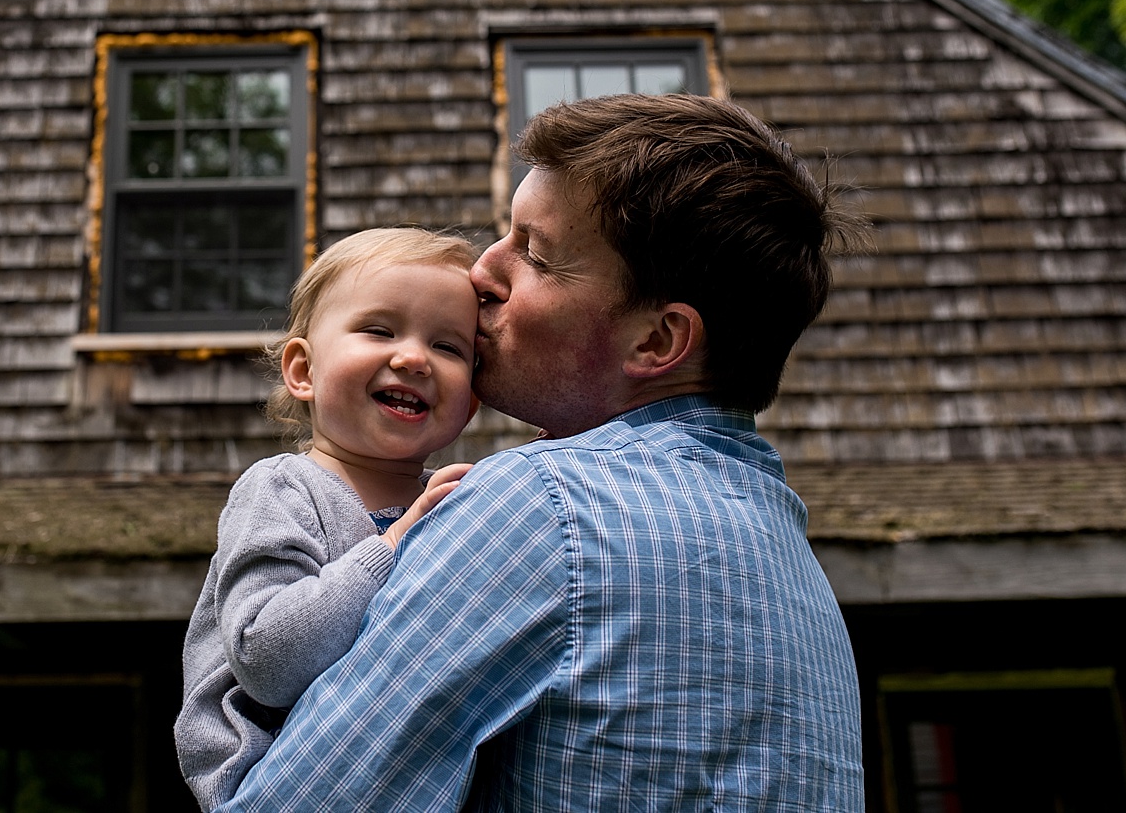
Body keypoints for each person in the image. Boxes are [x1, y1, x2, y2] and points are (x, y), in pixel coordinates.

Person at [218, 93, 869, 811]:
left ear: (655, 341)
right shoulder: (792, 561)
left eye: (534, 254)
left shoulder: (543, 509)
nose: (482, 274)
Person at [175, 227, 481, 810]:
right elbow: (265, 660)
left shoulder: (446, 506)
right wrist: (392, 544)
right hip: (275, 781)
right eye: (379, 330)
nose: (414, 357)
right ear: (303, 371)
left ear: (470, 402)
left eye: (449, 347)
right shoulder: (282, 489)